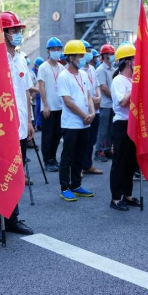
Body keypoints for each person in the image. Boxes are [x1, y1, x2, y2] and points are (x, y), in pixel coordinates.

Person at [0, 12, 34, 241]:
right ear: (3, 33)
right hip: (1, 130)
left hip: (21, 127)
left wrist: (29, 121)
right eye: (13, 30)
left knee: (16, 175)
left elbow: (25, 91)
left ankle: (13, 218)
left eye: (19, 30)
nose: (18, 34)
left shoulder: (22, 59)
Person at [57, 39, 95, 202]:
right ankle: (65, 187)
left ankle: (76, 185)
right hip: (71, 123)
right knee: (68, 156)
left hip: (85, 122)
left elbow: (88, 96)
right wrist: (84, 115)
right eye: (80, 56)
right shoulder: (63, 76)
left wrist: (92, 113)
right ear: (71, 57)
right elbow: (68, 101)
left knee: (80, 154)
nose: (83, 58)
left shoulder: (84, 74)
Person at [108, 44, 142, 211]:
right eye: (134, 59)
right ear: (128, 62)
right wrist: (135, 87)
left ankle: (128, 195)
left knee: (131, 161)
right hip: (122, 124)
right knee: (120, 162)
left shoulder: (132, 79)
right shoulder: (118, 80)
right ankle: (115, 198)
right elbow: (122, 101)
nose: (137, 62)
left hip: (134, 123)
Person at [37, 36, 64, 172]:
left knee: (57, 135)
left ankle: (53, 158)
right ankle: (47, 160)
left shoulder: (61, 67)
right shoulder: (43, 67)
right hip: (48, 107)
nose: (56, 51)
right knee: (48, 135)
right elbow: (41, 87)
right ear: (48, 51)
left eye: (58, 49)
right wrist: (45, 105)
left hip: (60, 107)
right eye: (54, 49)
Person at [80, 40, 102, 175]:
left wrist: (98, 97)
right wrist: (93, 99)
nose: (88, 54)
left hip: (96, 108)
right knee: (84, 139)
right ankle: (80, 166)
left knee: (92, 139)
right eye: (85, 51)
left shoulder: (92, 69)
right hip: (86, 110)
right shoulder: (79, 70)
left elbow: (97, 86)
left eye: (89, 51)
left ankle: (88, 165)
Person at [95, 44, 116, 163]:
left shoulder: (113, 69)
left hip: (112, 104)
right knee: (103, 129)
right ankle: (99, 151)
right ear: (105, 56)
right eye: (111, 54)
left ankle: (108, 149)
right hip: (105, 104)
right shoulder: (100, 70)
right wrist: (115, 98)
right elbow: (103, 87)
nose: (113, 56)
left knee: (111, 129)